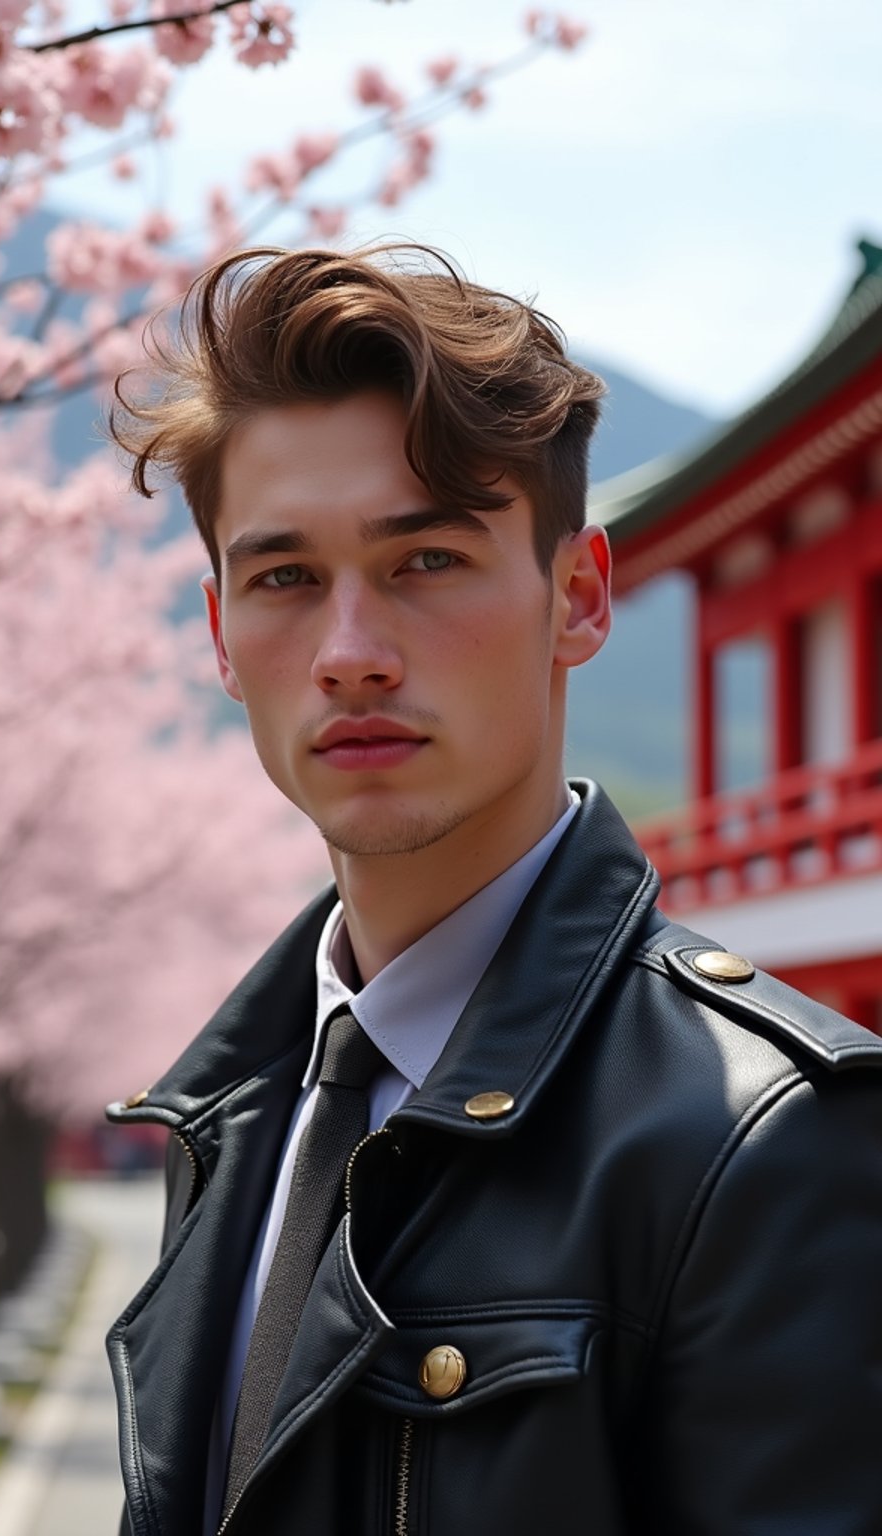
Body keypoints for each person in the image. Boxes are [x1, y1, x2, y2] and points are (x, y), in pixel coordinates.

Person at [105, 244, 882, 1536]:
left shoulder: (761, 1143)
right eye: (286, 578)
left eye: (426, 562)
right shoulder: (237, 1108)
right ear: (220, 635)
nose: (349, 655)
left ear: (575, 597)